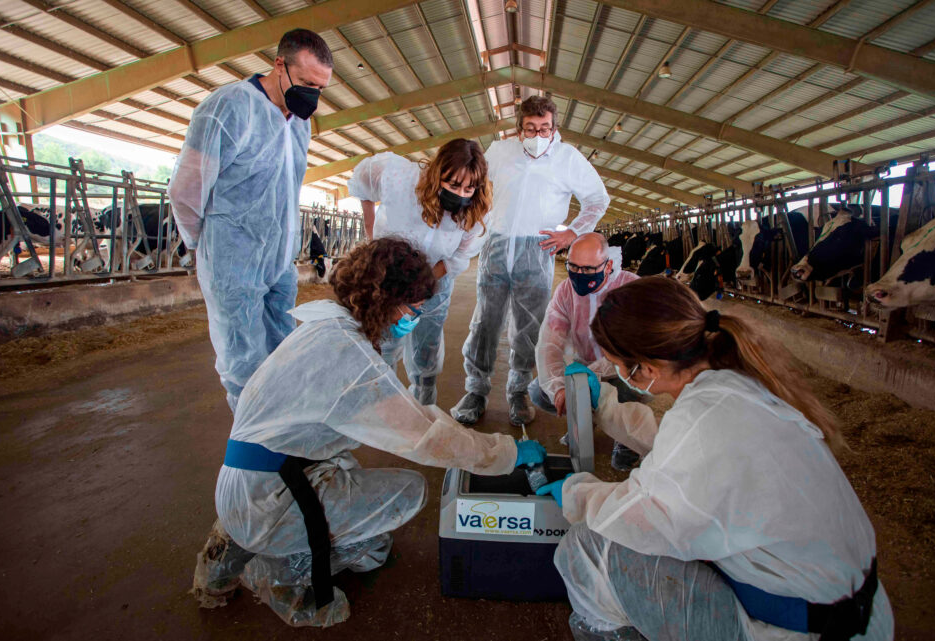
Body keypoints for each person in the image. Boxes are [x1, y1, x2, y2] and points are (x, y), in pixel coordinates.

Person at [191, 238, 545, 627]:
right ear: (384, 298)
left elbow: (402, 417)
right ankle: (284, 569)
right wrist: (505, 453)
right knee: (403, 501)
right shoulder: (349, 357)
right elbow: (425, 437)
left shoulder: (325, 324)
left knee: (367, 526)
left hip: (247, 479)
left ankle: (235, 544)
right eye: (413, 308)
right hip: (267, 497)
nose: (416, 317)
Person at [537, 276, 894, 641]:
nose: (614, 372)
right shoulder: (735, 382)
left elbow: (645, 518)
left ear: (645, 369)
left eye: (614, 365)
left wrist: (578, 493)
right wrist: (606, 405)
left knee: (586, 545)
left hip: (802, 629)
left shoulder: (703, 416)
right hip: (856, 609)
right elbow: (677, 446)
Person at [168, 29, 333, 411]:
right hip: (233, 261)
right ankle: (254, 457)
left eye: (320, 88)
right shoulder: (228, 108)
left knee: (282, 356)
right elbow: (186, 189)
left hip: (279, 261)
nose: (312, 94)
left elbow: (287, 188)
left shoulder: (299, 123)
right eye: (307, 82)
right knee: (244, 365)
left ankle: (282, 438)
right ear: (279, 65)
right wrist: (204, 246)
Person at [452, 95, 610, 427]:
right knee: (485, 321)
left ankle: (518, 391)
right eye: (530, 129)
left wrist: (572, 232)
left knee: (529, 326)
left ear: (555, 128)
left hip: (539, 249)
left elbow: (597, 199)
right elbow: (477, 182)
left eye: (545, 129)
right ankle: (476, 391)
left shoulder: (568, 158)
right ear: (519, 128)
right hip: (497, 245)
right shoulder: (500, 151)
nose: (538, 136)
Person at [347, 138, 492, 405]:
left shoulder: (474, 212)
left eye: (469, 188)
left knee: (427, 345)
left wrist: (421, 287)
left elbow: (458, 257)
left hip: (434, 282)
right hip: (388, 278)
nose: (461, 194)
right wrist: (371, 235)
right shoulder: (400, 177)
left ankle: (422, 404)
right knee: (383, 342)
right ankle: (383, 404)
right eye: (453, 185)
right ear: (437, 173)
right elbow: (362, 179)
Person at [530, 232, 645, 471]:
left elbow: (635, 351)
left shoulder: (631, 288)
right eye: (574, 267)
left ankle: (627, 440)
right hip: (586, 365)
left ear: (608, 264)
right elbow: (549, 342)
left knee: (629, 388)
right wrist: (559, 388)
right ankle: (585, 419)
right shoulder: (565, 291)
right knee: (539, 391)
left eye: (589, 269)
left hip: (623, 369)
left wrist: (587, 377)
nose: (579, 275)